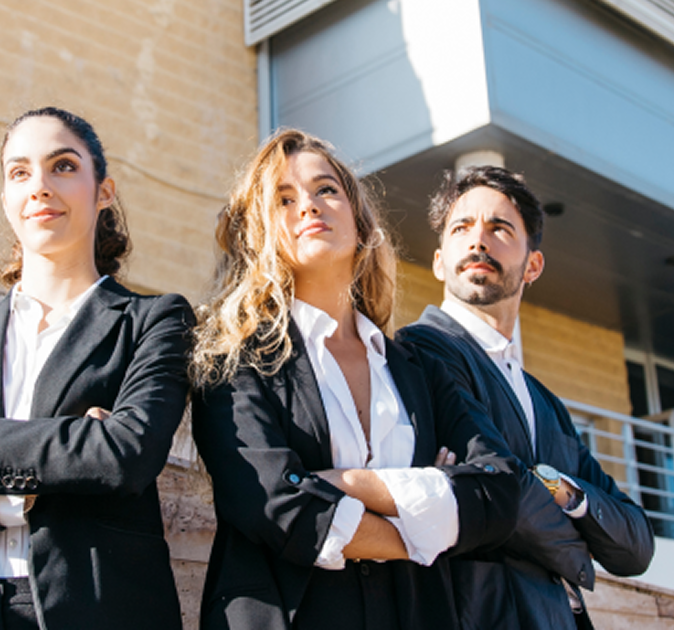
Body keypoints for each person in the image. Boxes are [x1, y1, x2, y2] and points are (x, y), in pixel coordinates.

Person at [190, 129, 521, 630]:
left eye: (326, 190)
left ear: (360, 222)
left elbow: (498, 492)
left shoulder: (420, 367)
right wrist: (422, 519)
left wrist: (343, 484)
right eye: (283, 199)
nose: (309, 206)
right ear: (261, 232)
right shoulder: (233, 357)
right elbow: (277, 505)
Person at [0, 107, 194, 630]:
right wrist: (12, 495)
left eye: (64, 167)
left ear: (104, 191)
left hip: (99, 610)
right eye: (20, 172)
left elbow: (124, 455)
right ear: (6, 199)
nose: (40, 186)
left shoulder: (154, 320)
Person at [396, 165, 655, 630]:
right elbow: (503, 491)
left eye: (499, 228)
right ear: (438, 260)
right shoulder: (422, 349)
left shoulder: (546, 402)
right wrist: (578, 554)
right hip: (477, 615)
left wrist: (562, 489)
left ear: (532, 265)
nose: (479, 241)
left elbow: (636, 545)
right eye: (462, 227)